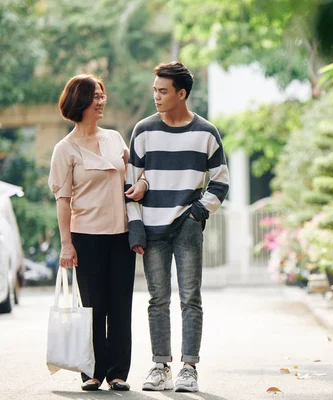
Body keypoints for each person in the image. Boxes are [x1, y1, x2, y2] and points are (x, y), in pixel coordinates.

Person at [126, 61, 229, 393]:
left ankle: (189, 367)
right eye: (154, 90)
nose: (156, 96)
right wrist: (136, 227)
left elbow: (221, 182)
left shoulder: (206, 132)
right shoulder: (143, 131)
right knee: (157, 299)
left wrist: (197, 214)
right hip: (152, 228)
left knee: (190, 298)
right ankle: (160, 365)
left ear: (181, 93)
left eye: (163, 91)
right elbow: (130, 185)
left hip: (186, 226)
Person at [48, 75, 148, 391]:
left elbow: (136, 176)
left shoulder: (116, 139)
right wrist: (66, 244)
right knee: (92, 305)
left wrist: (141, 186)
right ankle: (91, 371)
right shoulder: (65, 149)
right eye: (95, 96)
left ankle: (118, 372)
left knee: (120, 305)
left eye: (103, 94)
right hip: (85, 236)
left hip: (120, 235)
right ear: (80, 102)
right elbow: (63, 202)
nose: (101, 101)